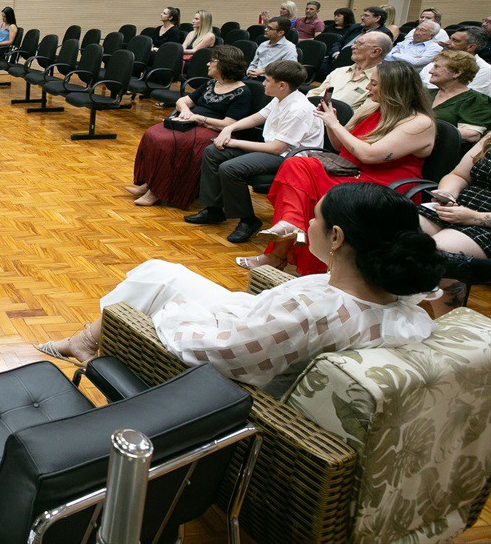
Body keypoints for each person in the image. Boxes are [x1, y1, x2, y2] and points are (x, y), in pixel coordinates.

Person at [36, 182, 440, 397]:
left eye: (313, 217)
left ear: (336, 237)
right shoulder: (401, 297)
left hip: (237, 348)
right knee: (160, 271)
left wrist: (175, 312)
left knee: (158, 291)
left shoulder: (313, 311)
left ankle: (86, 340)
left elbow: (218, 354)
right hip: (258, 320)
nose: (307, 224)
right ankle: (86, 339)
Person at [238, 61, 436, 275]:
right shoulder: (372, 107)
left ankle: (279, 254)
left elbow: (369, 155)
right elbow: (341, 146)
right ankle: (289, 224)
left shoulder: (420, 123)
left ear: (394, 89)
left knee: (309, 193)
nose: (368, 87)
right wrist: (328, 122)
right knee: (296, 164)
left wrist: (335, 124)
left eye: (374, 83)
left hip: (383, 187)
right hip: (351, 172)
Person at [186, 60, 323, 243]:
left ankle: (248, 220)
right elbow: (257, 117)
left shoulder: (298, 109)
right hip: (274, 151)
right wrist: (229, 129)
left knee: (230, 168)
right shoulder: (281, 98)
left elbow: (277, 148)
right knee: (213, 151)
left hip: (290, 159)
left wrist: (235, 142)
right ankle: (214, 209)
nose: (263, 83)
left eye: (266, 80)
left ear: (282, 85)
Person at [127, 45, 250, 209]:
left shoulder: (242, 92)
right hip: (193, 122)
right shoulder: (211, 84)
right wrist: (185, 111)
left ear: (224, 64)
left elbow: (230, 124)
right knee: (152, 134)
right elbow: (183, 101)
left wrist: (199, 118)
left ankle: (158, 191)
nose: (208, 64)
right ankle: (150, 183)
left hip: (215, 130)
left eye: (212, 61)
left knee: (171, 143)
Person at [419, 135, 491, 315]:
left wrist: (474, 217)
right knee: (394, 229)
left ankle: (448, 322)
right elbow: (459, 175)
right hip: (460, 207)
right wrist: (448, 194)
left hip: (483, 222)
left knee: (439, 252)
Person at [306, 30, 389, 112]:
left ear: (375, 52)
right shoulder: (339, 71)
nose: (352, 47)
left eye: (359, 44)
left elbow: (362, 116)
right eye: (355, 42)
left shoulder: (381, 82)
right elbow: (315, 93)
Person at [427, 50, 491, 144]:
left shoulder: (476, 100)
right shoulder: (426, 93)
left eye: (436, 67)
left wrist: (422, 132)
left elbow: (471, 135)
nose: (430, 71)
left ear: (457, 73)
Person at [423, 26, 491, 96]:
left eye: (455, 41)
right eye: (450, 39)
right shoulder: (438, 61)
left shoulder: (485, 69)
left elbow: (466, 98)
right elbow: (418, 85)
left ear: (471, 47)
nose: (447, 43)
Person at [326, 6, 390, 69]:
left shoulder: (383, 34)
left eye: (366, 16)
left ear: (377, 18)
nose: (362, 18)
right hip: (335, 58)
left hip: (355, 64)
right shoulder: (356, 27)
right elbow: (338, 43)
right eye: (362, 15)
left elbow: (374, 56)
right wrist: (336, 54)